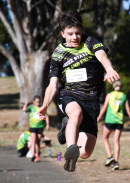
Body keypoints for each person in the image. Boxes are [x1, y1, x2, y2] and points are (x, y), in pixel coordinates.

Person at [38, 10, 120, 172]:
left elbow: (102, 55)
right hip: (70, 95)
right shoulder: (59, 54)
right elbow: (53, 84)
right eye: (70, 34)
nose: (75, 37)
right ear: (62, 34)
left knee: (85, 153)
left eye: (77, 33)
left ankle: (66, 130)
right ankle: (70, 152)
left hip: (91, 101)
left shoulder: (89, 42)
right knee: (75, 113)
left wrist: (109, 69)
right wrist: (45, 105)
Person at [97, 79, 130, 170]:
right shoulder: (124, 96)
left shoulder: (109, 95)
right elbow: (128, 110)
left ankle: (110, 156)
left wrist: (98, 117)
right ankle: (116, 163)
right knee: (116, 141)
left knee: (105, 138)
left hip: (110, 120)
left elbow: (104, 108)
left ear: (113, 86)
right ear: (121, 86)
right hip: (119, 121)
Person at [23, 96, 50, 162]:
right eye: (37, 101)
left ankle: (37, 155)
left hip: (40, 127)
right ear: (34, 102)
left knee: (38, 142)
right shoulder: (31, 108)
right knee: (34, 140)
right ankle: (33, 154)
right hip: (33, 127)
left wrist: (47, 125)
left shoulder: (42, 108)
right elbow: (24, 109)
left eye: (39, 101)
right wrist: (26, 104)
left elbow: (46, 117)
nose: (38, 103)